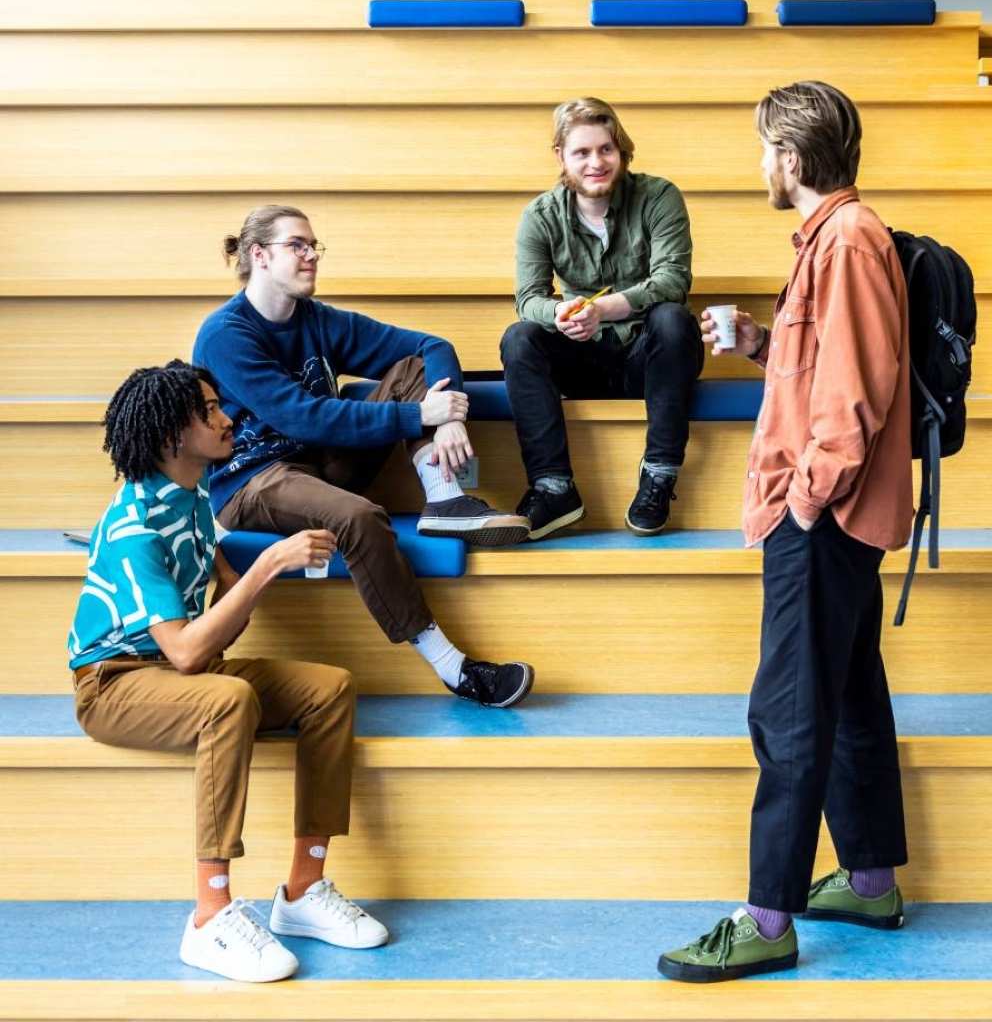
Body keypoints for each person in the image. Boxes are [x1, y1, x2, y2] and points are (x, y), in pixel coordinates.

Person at [658, 81, 913, 983]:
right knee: (845, 693)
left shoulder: (847, 241)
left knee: (789, 713)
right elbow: (827, 366)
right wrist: (763, 341)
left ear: (793, 161)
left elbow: (854, 396)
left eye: (766, 149)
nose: (761, 164)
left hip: (823, 512)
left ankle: (767, 916)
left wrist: (806, 500)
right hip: (833, 508)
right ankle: (872, 878)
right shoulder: (837, 242)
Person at [68, 360, 388, 983]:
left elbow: (213, 631)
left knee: (330, 688)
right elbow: (187, 653)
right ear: (170, 436)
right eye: (210, 411)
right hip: (114, 684)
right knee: (228, 699)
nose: (226, 418)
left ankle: (302, 892)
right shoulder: (134, 525)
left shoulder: (191, 499)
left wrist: (244, 578)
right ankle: (210, 914)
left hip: (182, 671)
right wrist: (268, 566)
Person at [193, 205, 533, 709]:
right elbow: (302, 416)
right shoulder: (226, 334)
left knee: (412, 368)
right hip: (253, 480)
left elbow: (429, 346)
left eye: (314, 246)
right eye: (297, 246)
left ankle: (444, 502)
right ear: (259, 256)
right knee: (357, 516)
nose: (311, 256)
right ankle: (453, 667)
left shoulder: (316, 319)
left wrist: (450, 418)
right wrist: (419, 417)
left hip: (317, 465)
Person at [501, 96, 704, 539]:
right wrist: (561, 313)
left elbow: (673, 279)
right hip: (580, 359)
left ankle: (659, 474)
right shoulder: (539, 216)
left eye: (605, 150)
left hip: (646, 361)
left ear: (621, 150)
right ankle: (553, 488)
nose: (596, 162)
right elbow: (528, 299)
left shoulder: (659, 196)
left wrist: (603, 308)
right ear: (561, 156)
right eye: (582, 152)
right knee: (519, 338)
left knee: (674, 318)